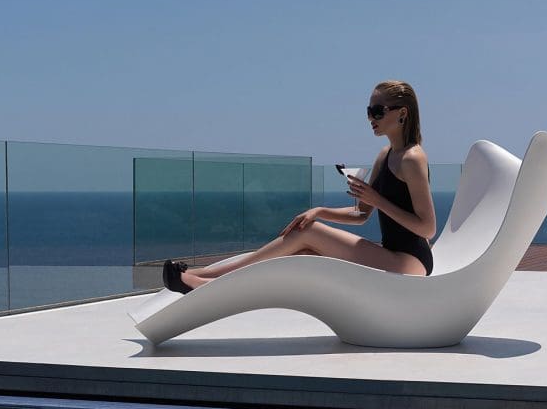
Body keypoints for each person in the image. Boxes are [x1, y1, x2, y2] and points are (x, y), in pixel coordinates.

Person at [164, 80, 436, 293]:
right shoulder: (384, 155)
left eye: (377, 111)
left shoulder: (413, 158)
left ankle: (202, 280)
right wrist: (318, 210)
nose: (371, 118)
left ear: (402, 114)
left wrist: (378, 201)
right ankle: (204, 280)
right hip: (391, 254)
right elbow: (362, 215)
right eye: (369, 111)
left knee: (308, 233)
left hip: (411, 262)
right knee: (304, 250)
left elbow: (427, 228)